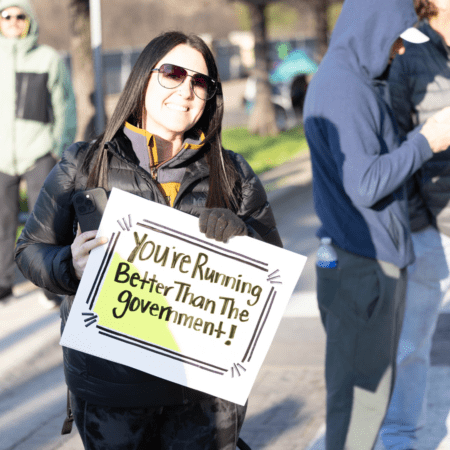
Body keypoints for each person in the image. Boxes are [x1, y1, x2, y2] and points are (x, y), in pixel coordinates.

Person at [14, 31, 282, 449]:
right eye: (173, 73)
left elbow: (270, 275)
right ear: (143, 77)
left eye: (200, 82)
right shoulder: (85, 162)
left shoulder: (233, 173)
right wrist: (70, 265)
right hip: (111, 394)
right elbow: (30, 250)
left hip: (203, 396)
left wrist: (242, 236)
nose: (186, 90)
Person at [302, 0, 450, 448]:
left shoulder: (352, 81)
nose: (401, 50)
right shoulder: (345, 88)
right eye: (397, 38)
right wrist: (426, 142)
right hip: (361, 263)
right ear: (373, 27)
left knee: (367, 398)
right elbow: (365, 183)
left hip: (365, 258)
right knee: (361, 403)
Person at [380, 1, 450, 448]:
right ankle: (399, 439)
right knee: (411, 348)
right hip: (433, 226)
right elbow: (392, 144)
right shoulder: (407, 50)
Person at [0, 0, 76, 308]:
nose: (14, 21)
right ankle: (3, 284)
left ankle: (48, 283)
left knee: (43, 221)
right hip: (2, 155)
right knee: (2, 221)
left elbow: (65, 103)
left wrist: (60, 145)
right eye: (7, 15)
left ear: (30, 20)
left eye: (20, 16)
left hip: (38, 151)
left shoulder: (48, 59)